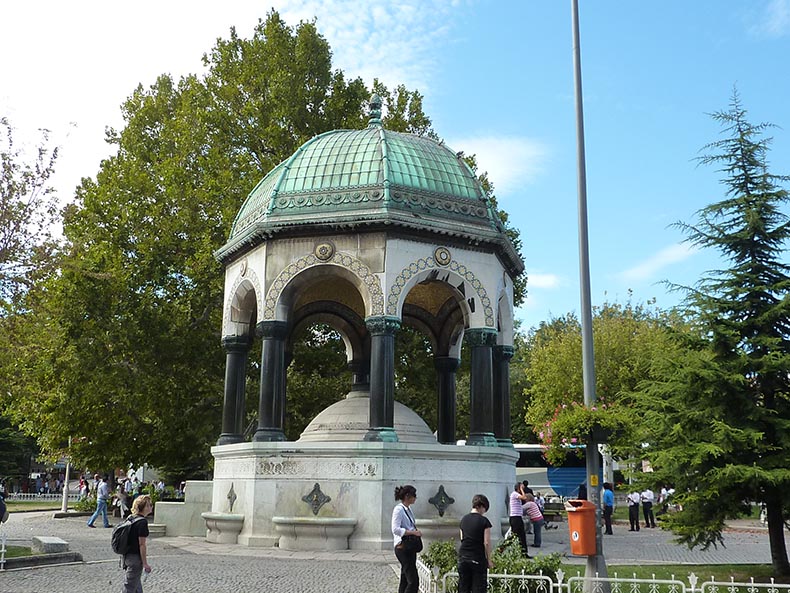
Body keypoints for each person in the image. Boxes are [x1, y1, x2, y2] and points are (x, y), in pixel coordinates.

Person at [457, 494, 493, 593]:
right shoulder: (484, 521)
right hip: (477, 557)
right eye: (484, 509)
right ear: (481, 506)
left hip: (463, 556)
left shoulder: (463, 519)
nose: (484, 512)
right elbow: (486, 542)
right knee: (479, 588)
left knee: (463, 588)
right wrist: (489, 560)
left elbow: (462, 538)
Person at [392, 485, 421, 593]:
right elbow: (395, 529)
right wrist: (413, 532)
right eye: (414, 495)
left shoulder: (408, 510)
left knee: (404, 578)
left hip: (410, 547)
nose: (415, 498)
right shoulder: (398, 510)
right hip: (402, 547)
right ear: (407, 496)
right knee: (413, 581)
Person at [122, 494, 153, 593]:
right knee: (130, 587)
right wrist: (145, 563)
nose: (151, 507)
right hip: (135, 558)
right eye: (149, 505)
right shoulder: (142, 522)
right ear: (144, 508)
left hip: (127, 556)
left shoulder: (131, 518)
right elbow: (142, 544)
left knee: (136, 586)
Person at [508, 483, 530, 557]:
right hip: (515, 518)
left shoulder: (517, 495)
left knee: (522, 536)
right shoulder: (514, 494)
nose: (523, 489)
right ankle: (501, 549)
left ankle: (524, 553)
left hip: (518, 517)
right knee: (513, 536)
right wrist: (521, 489)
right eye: (521, 488)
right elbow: (524, 498)